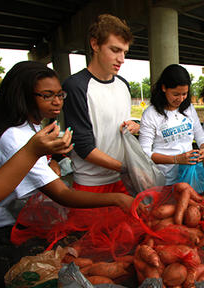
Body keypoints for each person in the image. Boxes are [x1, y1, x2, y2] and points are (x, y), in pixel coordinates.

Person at [0, 61, 134, 233]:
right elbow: (63, 194)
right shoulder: (15, 137)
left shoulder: (32, 126)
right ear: (24, 95)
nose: (57, 102)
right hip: (0, 226)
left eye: (60, 95)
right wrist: (118, 198)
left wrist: (52, 161)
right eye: (47, 95)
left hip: (18, 217)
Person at [63, 14, 139, 194]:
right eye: (115, 50)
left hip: (121, 180)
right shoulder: (75, 86)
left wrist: (134, 127)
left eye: (124, 52)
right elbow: (83, 146)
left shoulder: (123, 85)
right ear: (95, 44)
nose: (122, 59)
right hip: (91, 184)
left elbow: (120, 126)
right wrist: (127, 167)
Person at [139, 64, 204, 185]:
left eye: (185, 94)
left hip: (188, 176)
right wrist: (176, 159)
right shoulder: (151, 114)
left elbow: (200, 136)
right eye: (176, 94)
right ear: (164, 88)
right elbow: (144, 153)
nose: (180, 99)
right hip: (163, 180)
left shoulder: (189, 109)